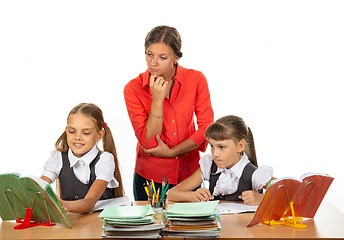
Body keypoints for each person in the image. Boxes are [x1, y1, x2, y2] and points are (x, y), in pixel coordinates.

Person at [124, 25, 214, 200]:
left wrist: (173, 152)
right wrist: (157, 101)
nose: (153, 63)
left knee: (191, 227)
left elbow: (207, 129)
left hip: (189, 176)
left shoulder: (196, 79)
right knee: (151, 226)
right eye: (149, 54)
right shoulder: (133, 88)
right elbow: (150, 142)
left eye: (162, 57)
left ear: (176, 58)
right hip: (150, 178)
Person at [167, 115, 273, 205]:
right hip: (216, 227)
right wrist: (193, 195)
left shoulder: (255, 174)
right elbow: (171, 193)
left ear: (240, 146)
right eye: (212, 146)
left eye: (221, 147)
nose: (215, 154)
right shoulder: (209, 166)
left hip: (243, 228)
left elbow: (288, 193)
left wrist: (261, 198)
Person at [41, 103, 124, 213]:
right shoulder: (57, 158)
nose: (77, 137)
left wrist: (63, 204)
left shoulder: (104, 160)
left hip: (99, 224)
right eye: (72, 131)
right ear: (66, 131)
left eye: (86, 133)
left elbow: (89, 202)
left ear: (99, 135)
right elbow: (40, 187)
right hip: (73, 226)